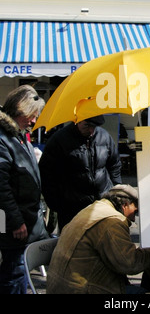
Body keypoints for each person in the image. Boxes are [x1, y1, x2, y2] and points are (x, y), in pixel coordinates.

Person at [46, 184, 150, 294]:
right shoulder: (112, 222)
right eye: (135, 211)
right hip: (80, 289)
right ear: (125, 205)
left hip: (60, 286)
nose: (133, 218)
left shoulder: (95, 208)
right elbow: (130, 263)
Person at [0, 85, 48, 294]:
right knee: (15, 273)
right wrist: (16, 221)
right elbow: (1, 188)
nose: (34, 121)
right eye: (31, 115)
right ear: (19, 111)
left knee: (19, 271)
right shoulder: (4, 139)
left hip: (25, 220)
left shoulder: (18, 136)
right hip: (15, 225)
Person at [39, 115, 122, 230]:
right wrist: (56, 204)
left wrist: (115, 191)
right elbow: (46, 173)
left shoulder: (104, 137)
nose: (91, 131)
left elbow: (114, 165)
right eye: (87, 125)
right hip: (72, 209)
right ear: (76, 121)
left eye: (94, 126)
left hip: (102, 204)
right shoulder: (59, 140)